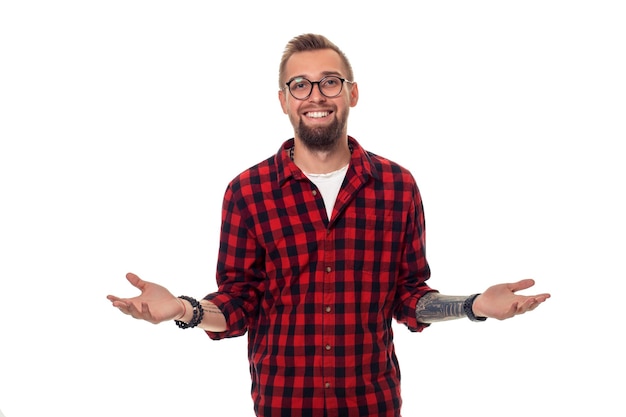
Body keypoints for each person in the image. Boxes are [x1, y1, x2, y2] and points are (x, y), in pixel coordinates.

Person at [107, 33, 551, 417]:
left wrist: (474, 305)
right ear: (283, 100)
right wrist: (185, 310)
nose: (315, 95)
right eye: (300, 85)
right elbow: (238, 305)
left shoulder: (397, 186)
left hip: (372, 404)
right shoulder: (247, 192)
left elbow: (408, 295)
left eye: (330, 82)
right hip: (282, 404)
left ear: (352, 94)